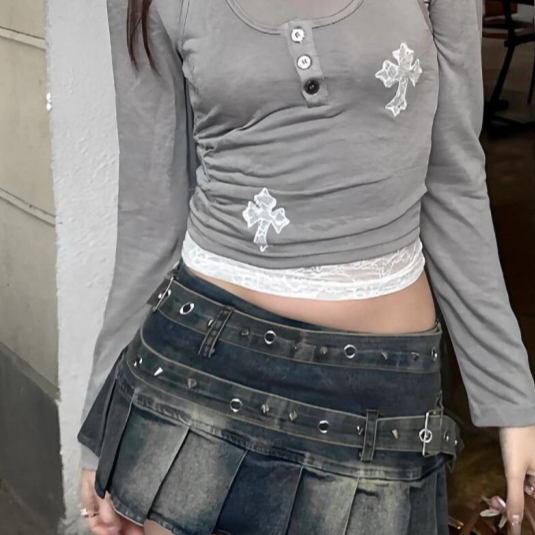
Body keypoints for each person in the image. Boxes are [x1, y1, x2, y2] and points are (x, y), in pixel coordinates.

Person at [77, 0, 535, 534]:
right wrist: (100, 432)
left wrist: (509, 395)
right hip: (198, 374)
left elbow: (454, 180)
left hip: (380, 399)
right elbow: (150, 211)